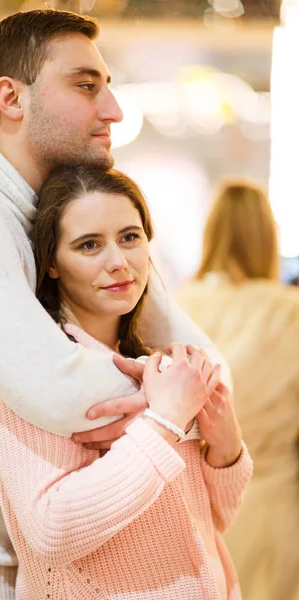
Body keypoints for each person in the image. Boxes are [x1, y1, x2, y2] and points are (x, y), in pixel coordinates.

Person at [0, 10, 230, 599]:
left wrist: (184, 398)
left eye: (107, 85)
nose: (114, 111)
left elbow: (206, 367)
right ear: (11, 98)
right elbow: (63, 391)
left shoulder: (62, 219)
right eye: (85, 86)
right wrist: (172, 405)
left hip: (51, 574)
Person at [0, 165, 252, 600]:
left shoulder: (162, 365)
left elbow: (213, 520)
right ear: (50, 263)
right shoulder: (29, 368)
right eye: (89, 245)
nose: (119, 262)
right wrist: (164, 422)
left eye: (130, 237)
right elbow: (53, 533)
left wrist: (228, 449)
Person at [175, 179, 299, 600]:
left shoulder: (173, 308)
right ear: (268, 238)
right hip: (272, 503)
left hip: (191, 512)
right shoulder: (290, 312)